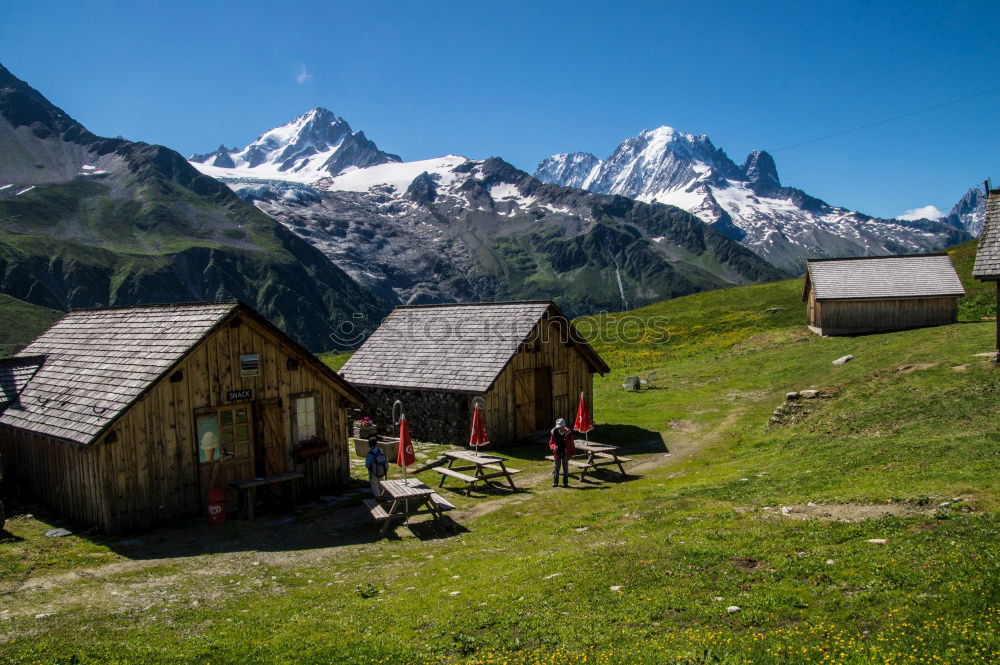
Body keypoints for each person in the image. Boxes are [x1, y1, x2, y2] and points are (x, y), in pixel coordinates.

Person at [548, 418, 575, 487]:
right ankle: (555, 482)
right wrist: (554, 447)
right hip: (557, 452)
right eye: (558, 427)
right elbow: (551, 442)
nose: (559, 428)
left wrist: (570, 453)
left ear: (563, 426)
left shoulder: (568, 432)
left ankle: (565, 483)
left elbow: (571, 443)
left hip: (565, 453)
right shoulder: (554, 432)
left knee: (565, 468)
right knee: (556, 468)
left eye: (560, 427)